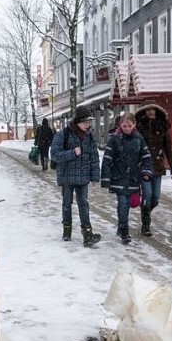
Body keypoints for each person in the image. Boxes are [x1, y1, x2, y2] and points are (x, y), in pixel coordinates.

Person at [50, 104, 102, 246]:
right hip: (67, 176)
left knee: (84, 204)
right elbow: (54, 155)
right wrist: (72, 153)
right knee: (67, 204)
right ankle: (67, 230)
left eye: (89, 121)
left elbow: (94, 157)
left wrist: (95, 177)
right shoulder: (63, 134)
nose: (88, 124)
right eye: (85, 121)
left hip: (83, 177)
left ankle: (87, 234)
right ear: (77, 121)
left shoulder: (89, 137)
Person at [100, 113, 152, 244]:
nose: (127, 128)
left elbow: (146, 156)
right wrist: (105, 178)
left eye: (129, 126)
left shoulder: (139, 139)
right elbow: (107, 159)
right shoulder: (115, 139)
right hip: (118, 176)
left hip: (133, 177)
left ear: (134, 125)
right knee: (123, 202)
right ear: (120, 125)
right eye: (124, 126)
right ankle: (124, 230)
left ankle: (121, 225)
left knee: (127, 204)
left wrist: (146, 171)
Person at [135, 104, 172, 237]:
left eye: (152, 109)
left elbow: (168, 147)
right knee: (147, 195)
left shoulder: (162, 128)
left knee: (155, 197)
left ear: (156, 111)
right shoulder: (140, 128)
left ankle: (145, 211)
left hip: (158, 165)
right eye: (147, 110)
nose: (150, 112)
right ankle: (146, 225)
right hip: (144, 166)